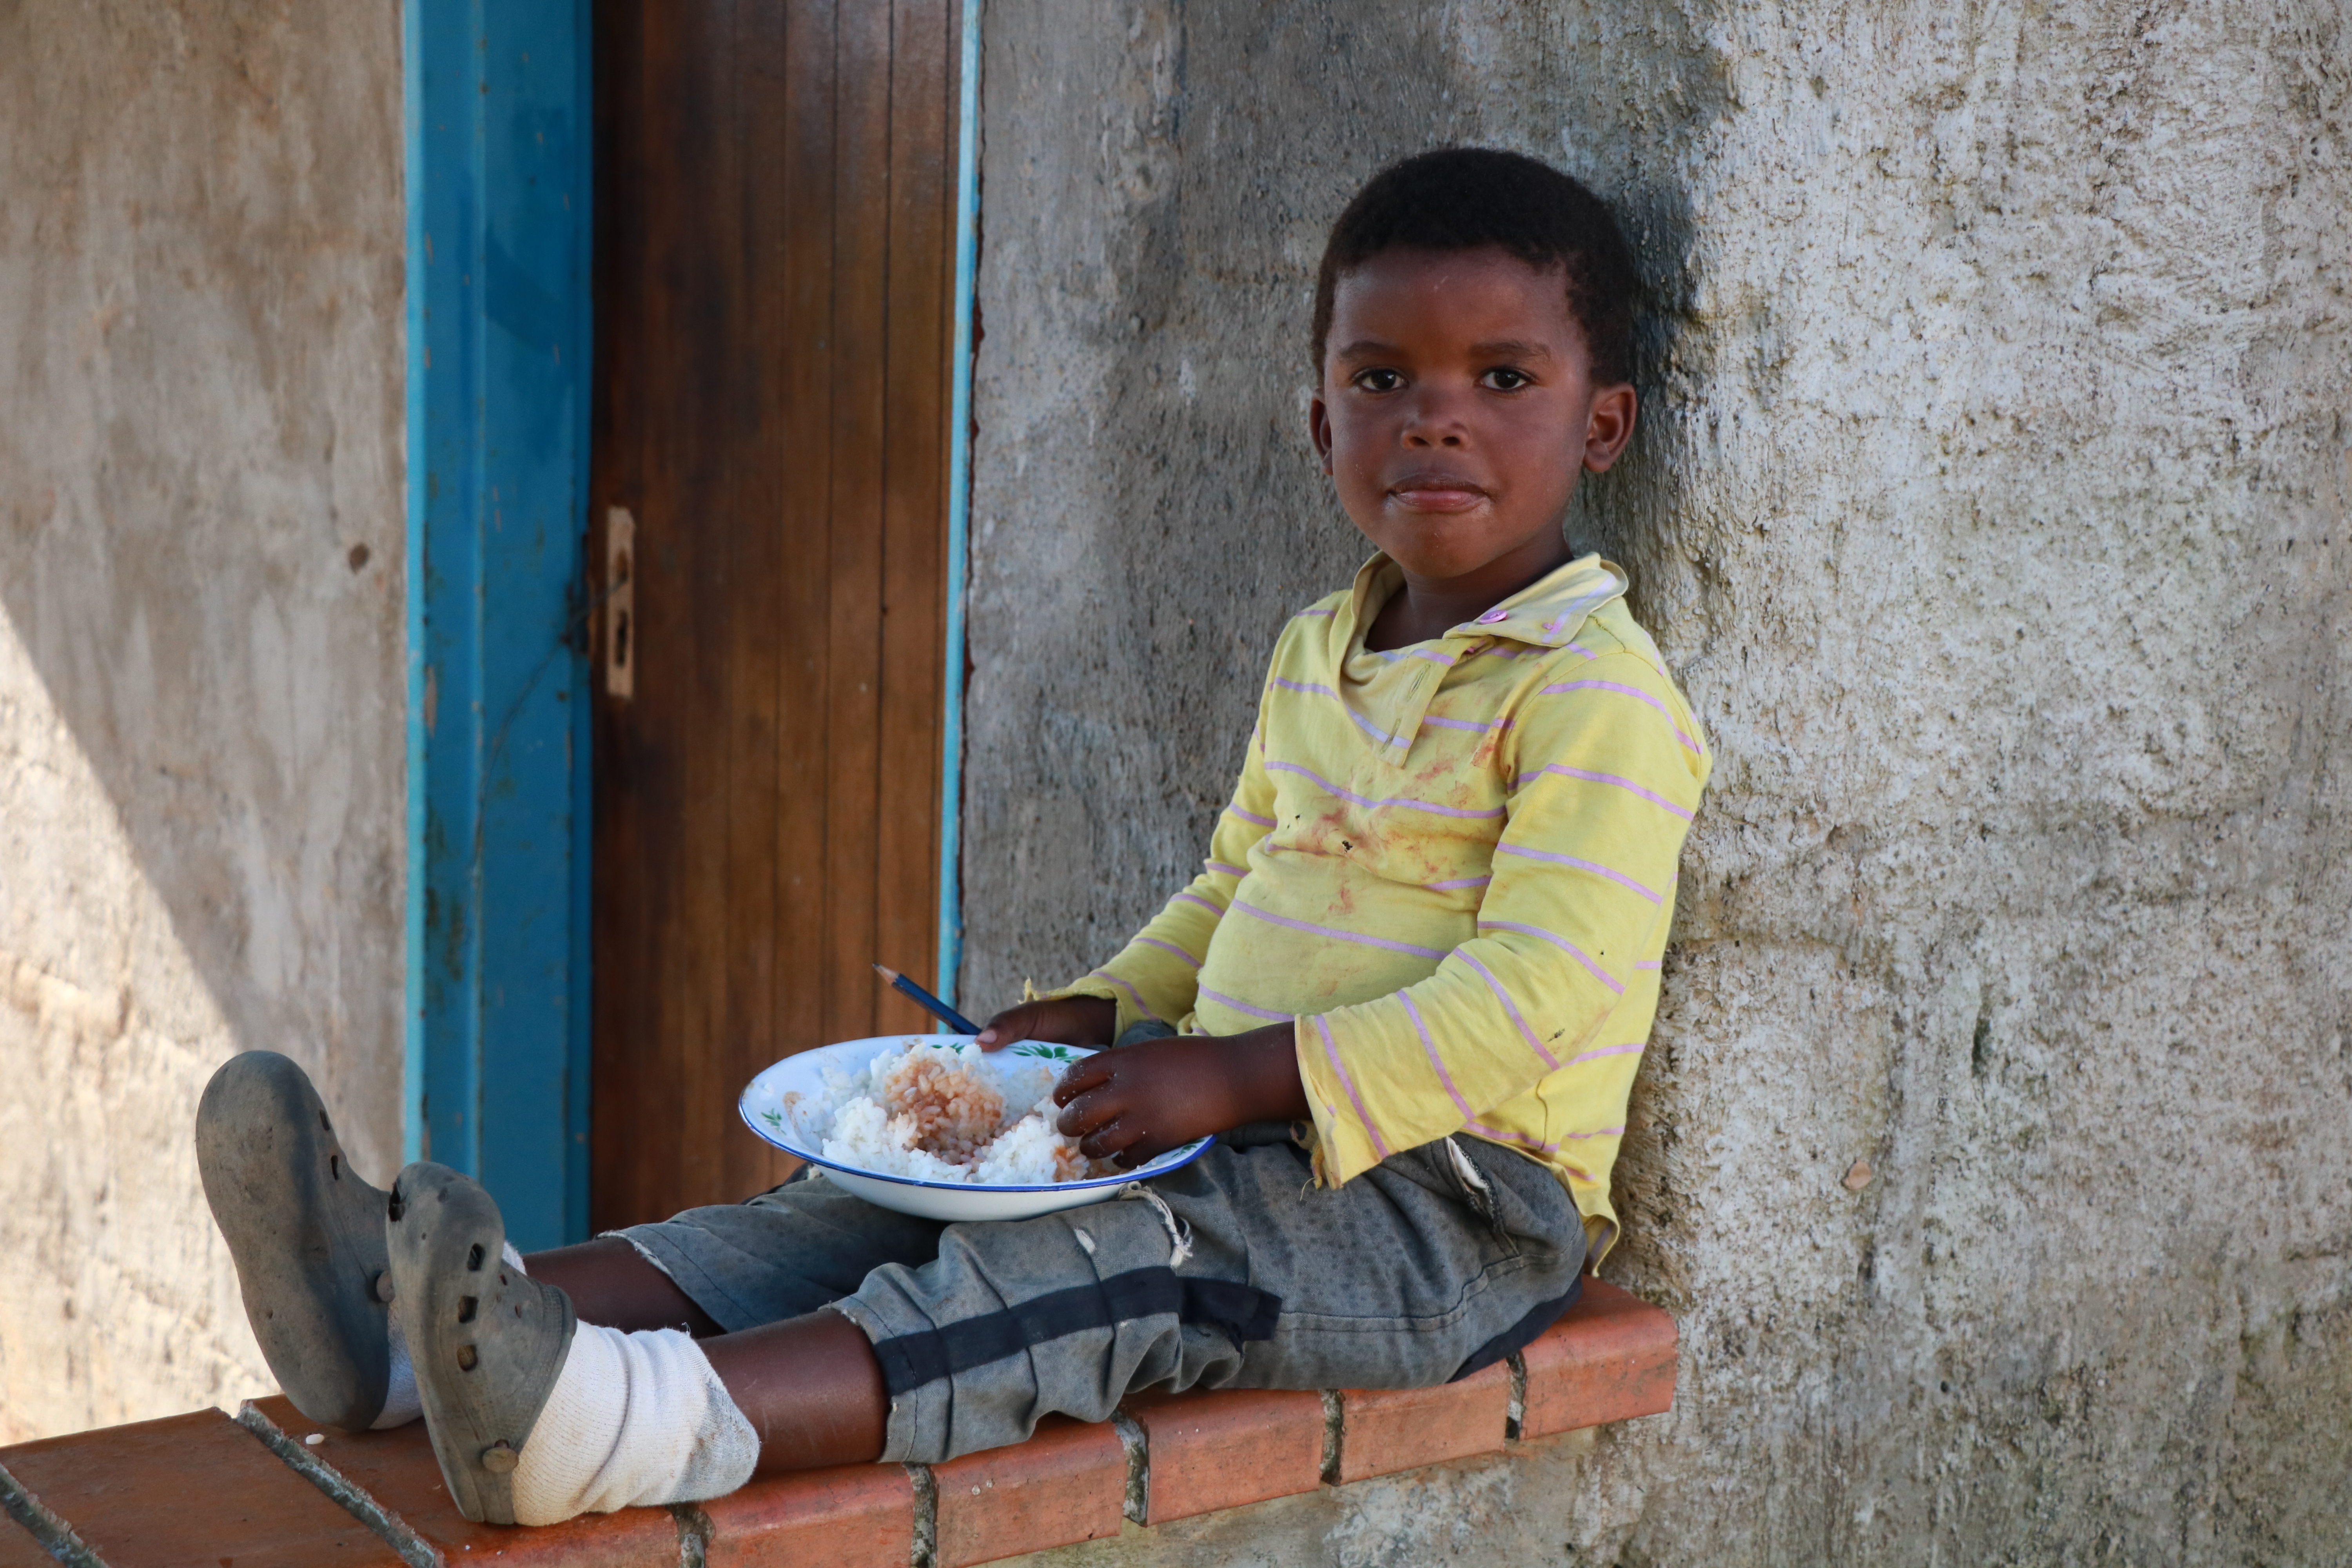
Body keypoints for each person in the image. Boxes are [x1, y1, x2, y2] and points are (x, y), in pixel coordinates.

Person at [197, 146, 1711, 1526]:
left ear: (1604, 424)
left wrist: (1243, 1072)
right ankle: (399, 1334)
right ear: (1323, 423)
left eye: (1504, 377)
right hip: (1235, 1129)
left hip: (1443, 1211)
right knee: (873, 1202)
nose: (1435, 412)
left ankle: (624, 1434)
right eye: (1383, 379)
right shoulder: (1326, 646)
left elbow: (1542, 991)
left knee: (1102, 1279)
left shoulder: (1597, 694)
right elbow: (1236, 887)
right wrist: (1111, 1010)